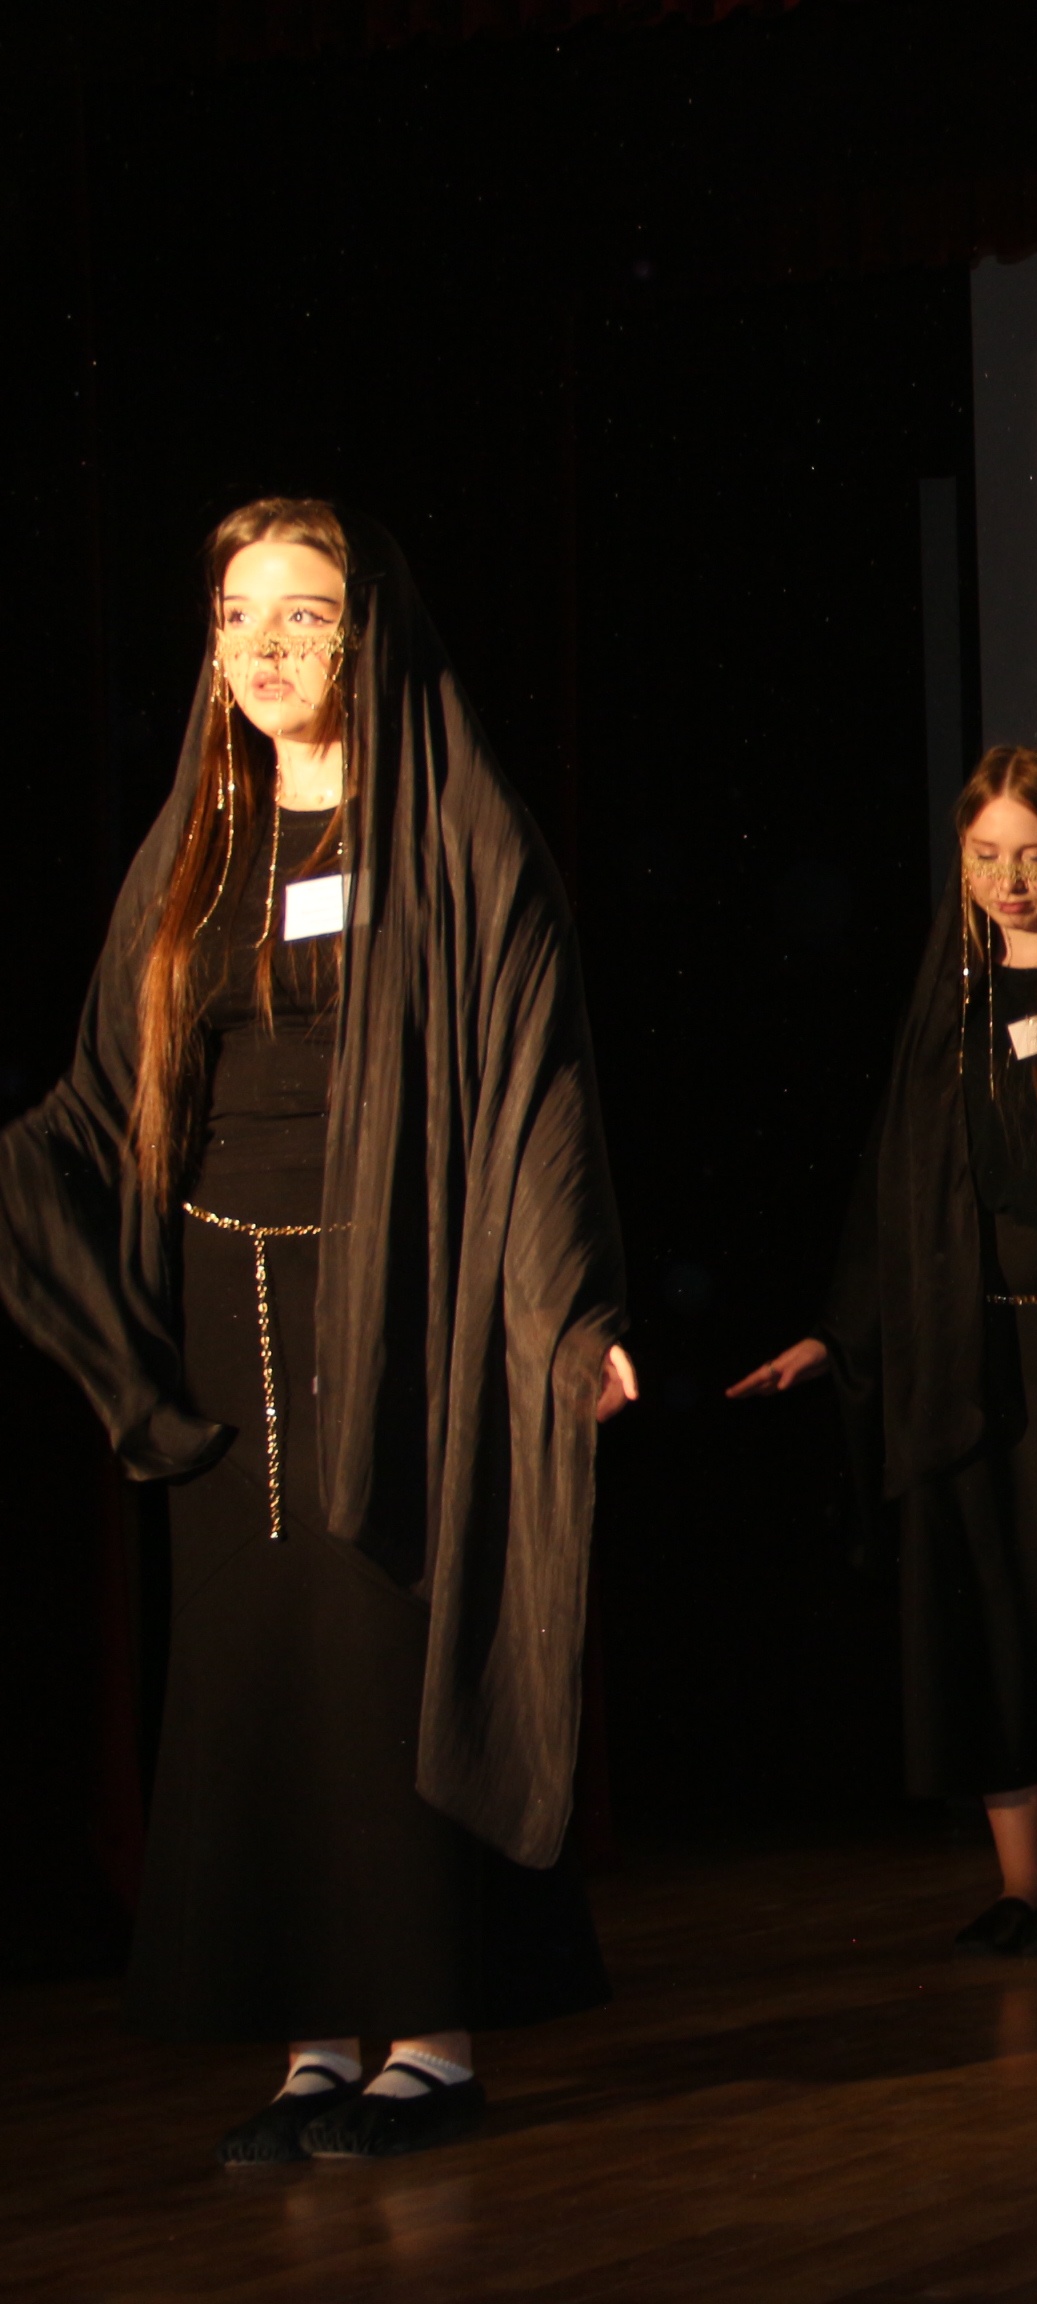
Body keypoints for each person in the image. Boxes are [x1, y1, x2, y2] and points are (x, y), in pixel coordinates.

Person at [0, 498, 635, 2162]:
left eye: (304, 612)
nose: (265, 644)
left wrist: (563, 1311)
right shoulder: (196, 842)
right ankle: (306, 2044)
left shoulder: (456, 828)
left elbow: (536, 1076)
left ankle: (427, 2039)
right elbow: (105, 1092)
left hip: (399, 1301)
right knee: (261, 1677)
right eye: (238, 613)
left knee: (378, 1667)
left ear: (370, 635)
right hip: (228, 1311)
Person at [733, 744, 1037, 1958]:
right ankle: (1017, 1881)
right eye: (986, 856)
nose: (1010, 881)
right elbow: (893, 1185)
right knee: (986, 1611)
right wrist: (841, 1329)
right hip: (964, 1358)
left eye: (1034, 855)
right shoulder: (945, 1007)